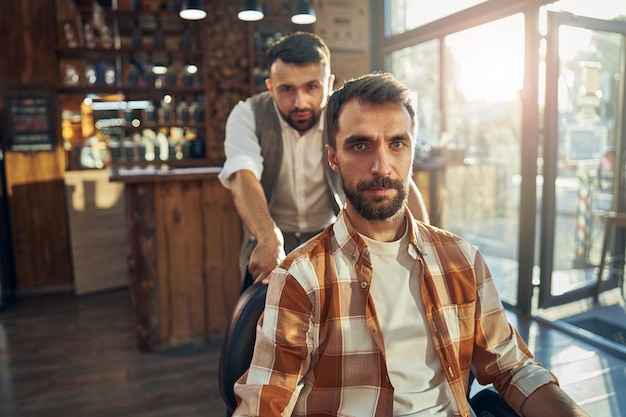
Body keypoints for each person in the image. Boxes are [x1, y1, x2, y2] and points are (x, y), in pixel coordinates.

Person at [231, 73, 589, 417]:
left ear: (411, 152)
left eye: (397, 143)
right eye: (360, 145)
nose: (381, 166)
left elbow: (513, 369)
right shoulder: (301, 277)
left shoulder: (461, 260)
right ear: (333, 157)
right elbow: (265, 402)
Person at [218, 32, 429, 291]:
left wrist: (426, 248)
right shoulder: (247, 114)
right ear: (271, 87)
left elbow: (400, 181)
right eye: (286, 89)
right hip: (268, 240)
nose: (300, 102)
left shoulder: (344, 117)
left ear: (328, 84)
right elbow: (243, 175)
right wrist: (267, 236)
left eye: (311, 87)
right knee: (259, 320)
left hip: (332, 239)